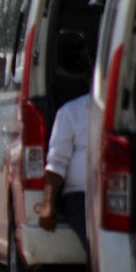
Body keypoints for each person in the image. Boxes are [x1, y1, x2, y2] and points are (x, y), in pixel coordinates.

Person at [38, 92, 89, 250]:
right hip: (81, 196)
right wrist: (48, 204)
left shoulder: (128, 111)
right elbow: (56, 163)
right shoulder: (72, 112)